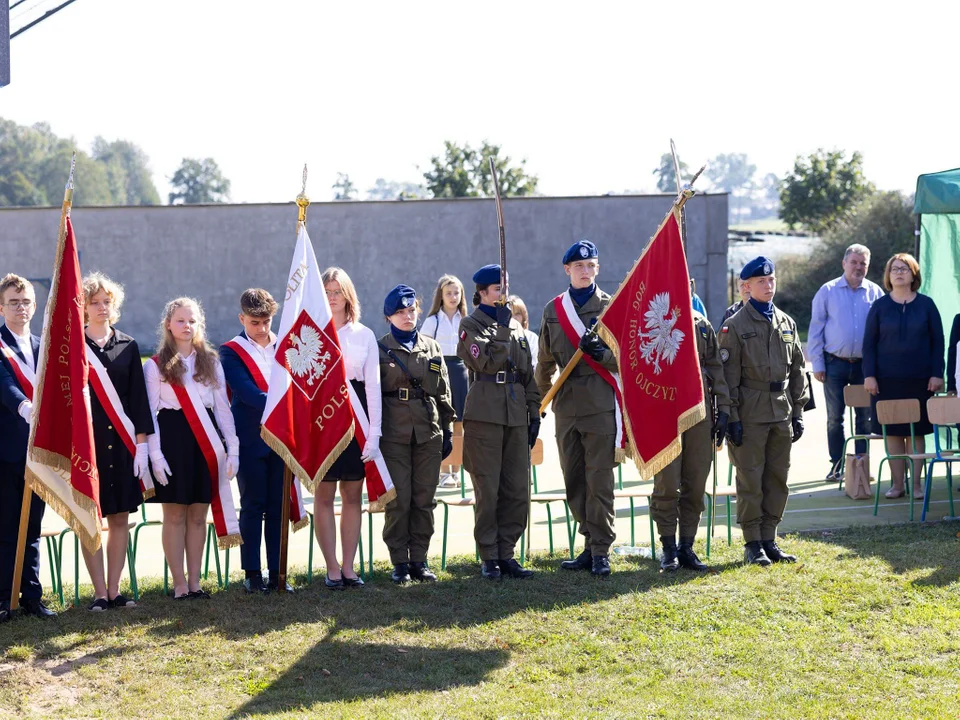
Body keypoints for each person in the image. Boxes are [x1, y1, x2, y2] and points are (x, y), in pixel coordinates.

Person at [145, 298, 239, 600]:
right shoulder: (155, 364)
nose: (187, 326)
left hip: (206, 441)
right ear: (168, 325)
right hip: (173, 441)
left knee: (199, 515)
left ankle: (196, 582)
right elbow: (150, 413)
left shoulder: (210, 361)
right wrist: (155, 454)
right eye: (181, 320)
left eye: (193, 321)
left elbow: (223, 409)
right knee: (174, 516)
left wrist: (233, 448)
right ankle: (179, 584)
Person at [536, 240, 619, 577]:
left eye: (591, 266)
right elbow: (543, 362)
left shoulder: (610, 307)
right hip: (566, 403)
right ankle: (588, 541)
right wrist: (537, 403)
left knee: (599, 476)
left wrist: (602, 355)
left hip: (599, 402)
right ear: (567, 270)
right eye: (579, 267)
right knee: (574, 478)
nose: (585, 272)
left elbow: (626, 360)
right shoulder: (553, 310)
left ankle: (601, 549)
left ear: (597, 269)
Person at [720, 257, 807, 566]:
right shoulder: (735, 325)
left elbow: (798, 369)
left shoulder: (786, 322)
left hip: (781, 411)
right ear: (747, 287)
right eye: (761, 282)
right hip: (750, 411)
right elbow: (727, 376)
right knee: (750, 480)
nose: (768, 286)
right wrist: (730, 417)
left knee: (777, 478)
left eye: (771, 280)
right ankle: (752, 542)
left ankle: (769, 538)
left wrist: (798, 410)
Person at [458, 267, 541, 580]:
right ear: (481, 292)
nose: (502, 294)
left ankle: (507, 552)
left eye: (504, 287)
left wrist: (534, 414)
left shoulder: (516, 326)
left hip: (516, 415)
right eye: (496, 289)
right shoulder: (470, 325)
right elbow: (486, 362)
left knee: (517, 489)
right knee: (488, 489)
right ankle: (489, 555)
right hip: (485, 416)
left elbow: (527, 375)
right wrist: (503, 329)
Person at [80, 273, 154, 610]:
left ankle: (114, 589)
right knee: (90, 520)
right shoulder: (74, 349)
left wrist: (141, 447)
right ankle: (98, 593)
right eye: (94, 302)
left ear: (115, 305)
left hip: (123, 448)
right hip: (88, 448)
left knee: (120, 519)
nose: (101, 307)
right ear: (83, 306)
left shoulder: (129, 345)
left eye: (106, 301)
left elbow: (139, 401)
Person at [377, 285, 455, 584]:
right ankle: (399, 561)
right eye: (401, 312)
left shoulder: (431, 347)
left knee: (424, 499)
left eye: (411, 311)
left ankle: (419, 560)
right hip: (393, 433)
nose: (408, 316)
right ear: (389, 317)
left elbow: (441, 389)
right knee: (399, 500)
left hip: (428, 431)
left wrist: (447, 428)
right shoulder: (380, 348)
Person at [220, 288, 294, 594]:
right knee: (252, 504)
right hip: (250, 436)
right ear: (242, 318)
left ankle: (277, 572)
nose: (261, 328)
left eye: (266, 321)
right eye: (254, 322)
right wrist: (285, 406)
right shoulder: (230, 351)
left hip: (282, 438)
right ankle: (252, 573)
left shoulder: (286, 345)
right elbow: (246, 392)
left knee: (279, 505)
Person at [313, 269, 380, 588]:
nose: (332, 296)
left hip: (357, 421)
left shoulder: (363, 334)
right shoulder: (310, 334)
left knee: (352, 495)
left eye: (338, 290)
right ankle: (331, 568)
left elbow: (373, 387)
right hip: (322, 421)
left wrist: (375, 432)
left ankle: (350, 567)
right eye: (326, 290)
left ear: (349, 294)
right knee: (324, 496)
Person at [650, 310, 730, 571]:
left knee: (696, 482)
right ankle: (668, 547)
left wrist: (724, 409)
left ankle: (686, 546)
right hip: (663, 410)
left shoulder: (702, 323)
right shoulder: (653, 317)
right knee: (667, 483)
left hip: (699, 410)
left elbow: (716, 367)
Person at [862, 253, 944, 500]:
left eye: (904, 269)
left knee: (916, 433)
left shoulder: (927, 305)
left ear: (913, 274)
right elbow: (868, 345)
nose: (899, 272)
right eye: (894, 269)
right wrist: (870, 376)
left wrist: (936, 374)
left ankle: (917, 486)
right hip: (885, 382)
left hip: (920, 380)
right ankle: (898, 485)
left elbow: (938, 343)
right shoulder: (879, 306)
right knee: (893, 433)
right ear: (888, 275)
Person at [0, 274, 55, 621]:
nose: (20, 308)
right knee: (5, 525)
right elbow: (4, 385)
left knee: (32, 526)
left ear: (34, 307)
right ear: (1, 306)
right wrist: (25, 407)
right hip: (6, 450)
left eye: (26, 302)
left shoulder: (45, 346)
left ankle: (31, 595)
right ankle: (4, 599)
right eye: (13, 302)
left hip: (41, 452)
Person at [807, 244, 884, 480]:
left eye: (863, 264)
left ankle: (861, 466)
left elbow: (881, 333)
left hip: (864, 367)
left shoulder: (876, 293)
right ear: (844, 263)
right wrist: (817, 364)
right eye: (854, 262)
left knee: (864, 418)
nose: (858, 267)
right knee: (835, 418)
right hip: (834, 365)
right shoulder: (827, 291)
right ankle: (837, 466)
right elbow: (816, 329)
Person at [421, 274, 468, 488]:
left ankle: (455, 472)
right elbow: (423, 350)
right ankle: (442, 472)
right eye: (448, 293)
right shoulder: (432, 321)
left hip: (461, 372)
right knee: (441, 422)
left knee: (459, 423)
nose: (452, 296)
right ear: (441, 295)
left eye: (456, 292)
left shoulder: (467, 321)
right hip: (439, 372)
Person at [508, 295, 539, 371]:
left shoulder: (532, 338)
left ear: (523, 316)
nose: (514, 318)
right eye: (510, 314)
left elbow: (536, 364)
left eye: (517, 314)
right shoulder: (499, 336)